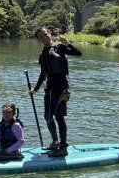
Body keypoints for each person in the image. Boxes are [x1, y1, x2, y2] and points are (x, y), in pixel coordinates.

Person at [28, 26, 82, 156]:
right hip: (50, 88)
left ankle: (63, 147)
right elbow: (43, 74)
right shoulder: (42, 55)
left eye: (45, 34)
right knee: (47, 117)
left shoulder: (60, 47)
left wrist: (67, 43)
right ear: (39, 39)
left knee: (58, 116)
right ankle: (55, 142)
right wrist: (35, 89)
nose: (44, 37)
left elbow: (78, 54)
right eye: (41, 36)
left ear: (49, 33)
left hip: (61, 88)